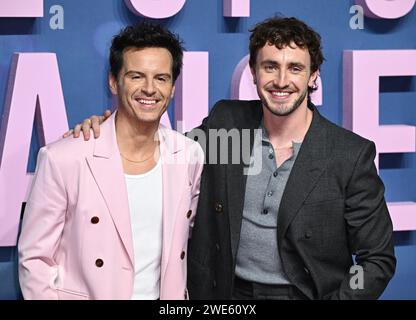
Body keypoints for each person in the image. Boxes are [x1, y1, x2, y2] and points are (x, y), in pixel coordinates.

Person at [68, 17, 396, 300]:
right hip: (226, 294)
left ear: (313, 76)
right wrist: (106, 126)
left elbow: (376, 260)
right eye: (270, 66)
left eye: (295, 68)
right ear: (253, 72)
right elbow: (158, 147)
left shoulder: (346, 153)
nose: (281, 81)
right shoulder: (229, 125)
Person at [18, 22, 204, 300]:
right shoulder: (64, 158)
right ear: (113, 81)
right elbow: (35, 260)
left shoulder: (188, 155)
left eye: (161, 78)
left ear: (173, 88)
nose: (150, 89)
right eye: (136, 76)